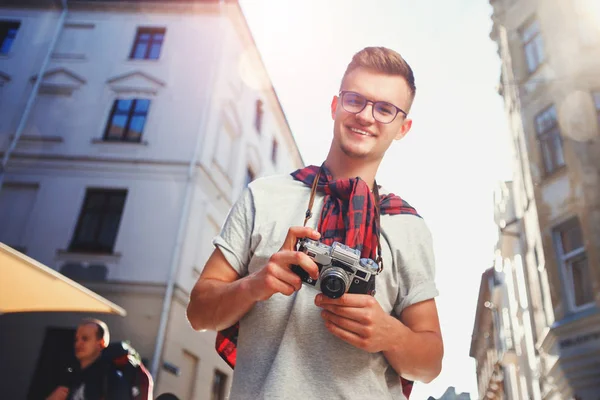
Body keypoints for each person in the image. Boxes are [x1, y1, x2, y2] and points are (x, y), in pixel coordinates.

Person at [187, 46, 444, 399]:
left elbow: (430, 363)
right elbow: (199, 313)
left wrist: (389, 334)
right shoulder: (264, 196)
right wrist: (254, 285)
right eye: (355, 100)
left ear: (403, 127)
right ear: (335, 105)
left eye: (385, 109)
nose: (366, 116)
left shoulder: (407, 226)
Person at [46, 318, 130, 400]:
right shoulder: (72, 378)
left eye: (85, 338)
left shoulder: (111, 379)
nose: (78, 343)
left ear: (102, 343)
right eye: (76, 339)